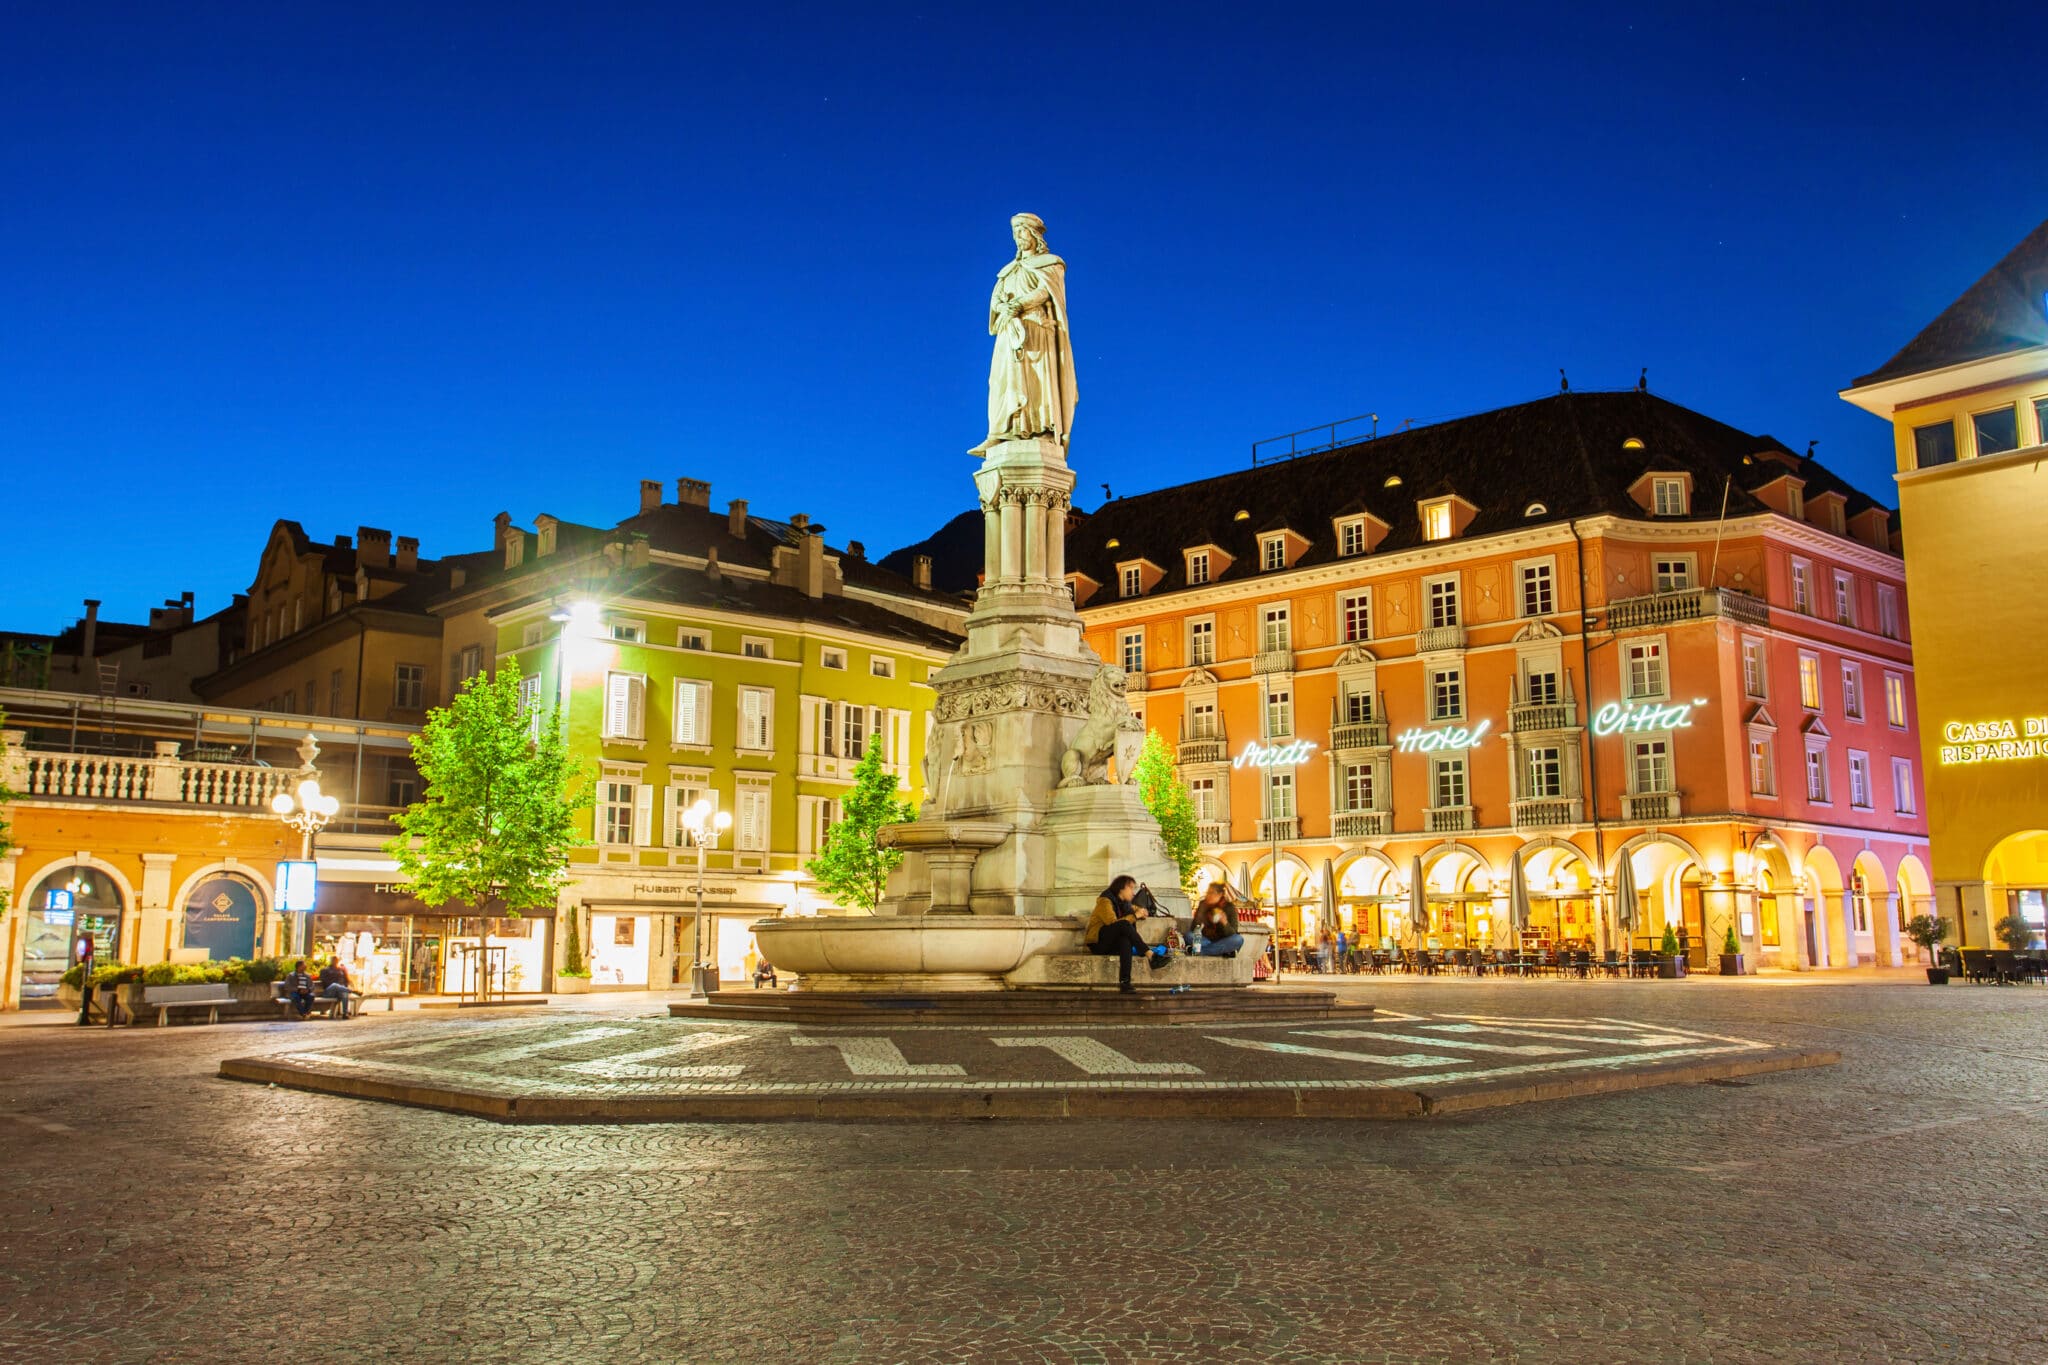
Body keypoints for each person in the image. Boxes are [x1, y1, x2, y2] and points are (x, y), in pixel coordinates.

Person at [1084, 874, 1168, 992]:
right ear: (1121, 889)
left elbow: (1133, 908)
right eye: (1131, 888)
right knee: (1124, 925)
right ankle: (1149, 954)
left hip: (1111, 944)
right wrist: (1135, 916)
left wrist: (1140, 911)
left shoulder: (1123, 903)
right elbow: (1113, 923)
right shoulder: (1105, 901)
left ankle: (1125, 982)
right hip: (1098, 943)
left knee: (1125, 939)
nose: (1133, 893)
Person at [1186, 884, 1245, 958]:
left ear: (1220, 894)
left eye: (1211, 893)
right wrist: (1201, 918)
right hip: (1205, 940)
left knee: (1238, 939)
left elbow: (1233, 933)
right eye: (1208, 893)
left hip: (1223, 941)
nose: (1208, 895)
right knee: (1189, 935)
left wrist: (1224, 923)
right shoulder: (1203, 904)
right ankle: (1220, 951)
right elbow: (1194, 929)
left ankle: (1201, 951)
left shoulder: (1230, 907)